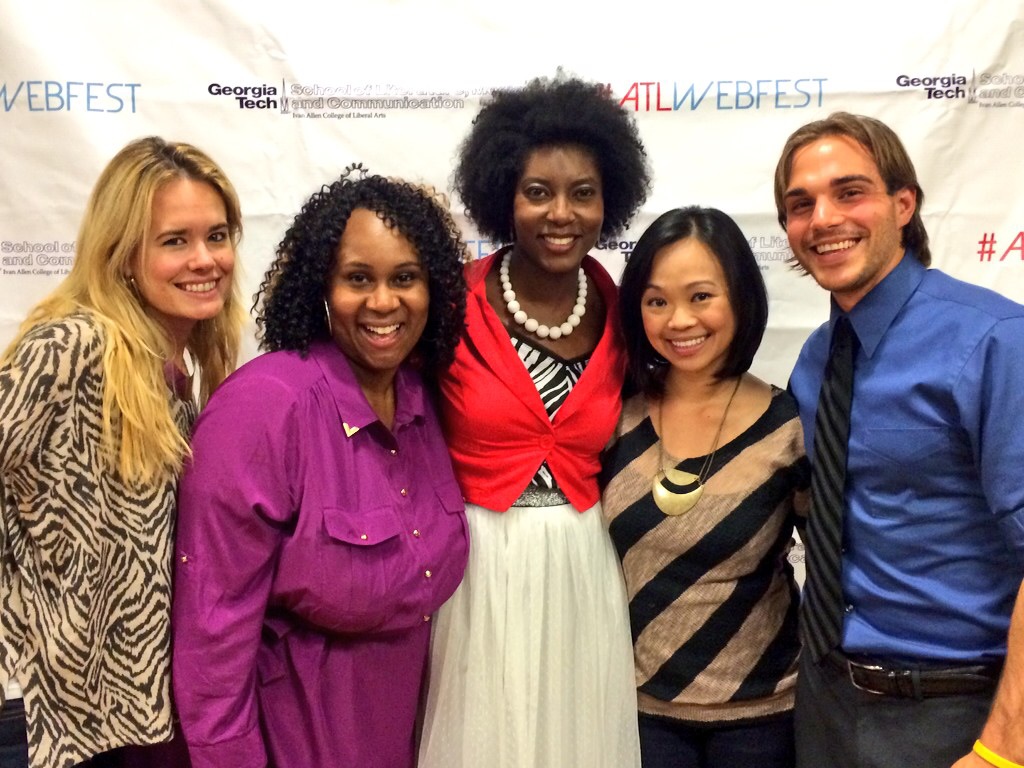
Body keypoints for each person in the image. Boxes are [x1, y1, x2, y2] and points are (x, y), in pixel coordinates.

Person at [171, 168, 470, 768]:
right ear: (322, 290)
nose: (383, 302)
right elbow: (213, 629)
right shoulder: (265, 408)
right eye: (358, 278)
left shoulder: (424, 400)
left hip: (407, 735)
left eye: (405, 278)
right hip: (294, 740)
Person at [775, 111, 1024, 768]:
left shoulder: (995, 341)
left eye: (848, 192)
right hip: (825, 701)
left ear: (903, 204)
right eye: (801, 205)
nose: (823, 218)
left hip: (953, 715)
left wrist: (1004, 746)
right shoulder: (815, 359)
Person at [417, 75, 651, 768]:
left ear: (609, 200)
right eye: (537, 192)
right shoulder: (450, 304)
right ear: (502, 198)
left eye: (583, 192)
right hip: (478, 566)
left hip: (583, 563)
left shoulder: (623, 306)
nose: (562, 213)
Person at [0, 137, 244, 768]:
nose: (205, 259)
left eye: (217, 236)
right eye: (175, 240)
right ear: (124, 254)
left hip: (124, 724)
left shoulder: (177, 374)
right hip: (42, 720)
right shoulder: (71, 345)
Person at [600, 206, 809, 768]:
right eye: (657, 300)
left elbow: (837, 563)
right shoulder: (613, 416)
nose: (678, 320)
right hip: (638, 712)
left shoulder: (789, 426)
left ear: (740, 298)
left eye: (700, 296)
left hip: (763, 717)